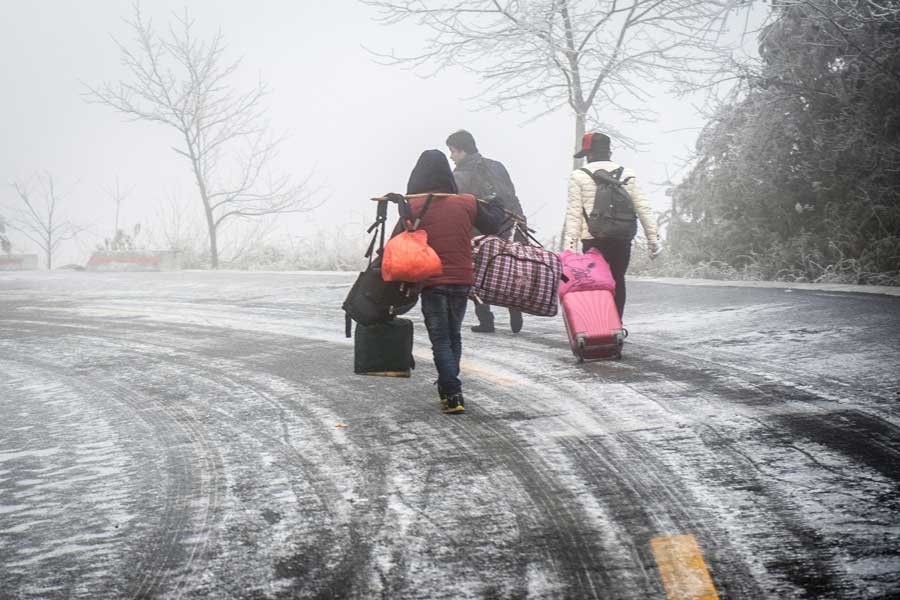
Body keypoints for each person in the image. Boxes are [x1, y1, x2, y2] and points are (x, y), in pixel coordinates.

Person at [398, 149, 502, 414]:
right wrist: (497, 206)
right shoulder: (467, 202)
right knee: (453, 335)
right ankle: (449, 387)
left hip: (431, 280)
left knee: (441, 339)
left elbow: (396, 242)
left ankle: (453, 392)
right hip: (462, 279)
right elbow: (492, 226)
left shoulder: (413, 205)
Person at [563, 132, 661, 319]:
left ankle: (600, 326)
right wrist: (652, 238)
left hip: (593, 239)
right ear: (608, 152)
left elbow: (574, 214)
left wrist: (570, 248)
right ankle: (616, 325)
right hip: (621, 238)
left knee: (596, 283)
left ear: (589, 153)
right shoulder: (627, 174)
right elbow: (643, 208)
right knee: (617, 280)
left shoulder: (578, 176)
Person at [446, 129, 526, 334]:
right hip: (510, 224)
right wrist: (521, 223)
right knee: (510, 269)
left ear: (462, 151)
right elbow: (512, 195)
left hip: (480, 230)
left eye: (453, 151)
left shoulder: (460, 175)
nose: (451, 156)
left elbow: (459, 207)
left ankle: (486, 320)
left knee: (477, 274)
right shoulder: (497, 166)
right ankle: (514, 309)